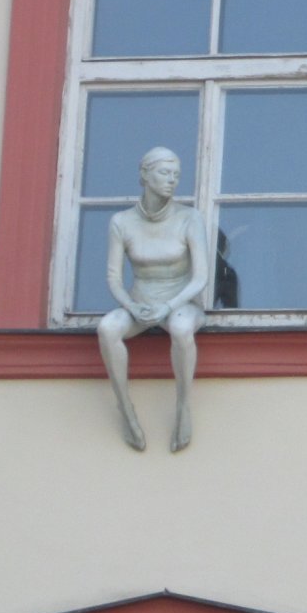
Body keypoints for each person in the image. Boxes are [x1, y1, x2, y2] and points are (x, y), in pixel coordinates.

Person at [96, 146, 210, 452]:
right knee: (107, 328)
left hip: (182, 302)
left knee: (182, 328)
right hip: (140, 301)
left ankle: (183, 408)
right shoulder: (122, 222)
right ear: (144, 175)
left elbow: (200, 278)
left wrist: (169, 306)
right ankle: (125, 409)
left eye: (176, 175)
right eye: (164, 172)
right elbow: (113, 277)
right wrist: (131, 306)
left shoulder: (190, 218)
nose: (172, 180)